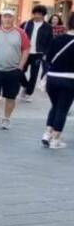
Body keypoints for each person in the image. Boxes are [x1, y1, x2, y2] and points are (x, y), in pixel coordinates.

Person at [0, 8, 30, 131]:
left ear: (13, 18)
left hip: (13, 69)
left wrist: (20, 67)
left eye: (9, 17)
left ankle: (6, 119)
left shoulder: (21, 33)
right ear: (1, 18)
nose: (7, 19)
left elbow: (26, 50)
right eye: (5, 16)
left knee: (10, 97)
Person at [42, 12, 74, 149]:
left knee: (55, 106)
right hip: (69, 79)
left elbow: (48, 59)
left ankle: (47, 133)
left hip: (52, 78)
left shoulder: (57, 39)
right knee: (62, 109)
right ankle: (55, 139)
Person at [20, 4, 51, 101]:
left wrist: (46, 53)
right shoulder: (26, 24)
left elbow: (49, 41)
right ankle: (25, 85)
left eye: (40, 14)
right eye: (36, 13)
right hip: (25, 52)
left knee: (34, 74)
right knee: (19, 71)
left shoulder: (47, 27)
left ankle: (28, 94)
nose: (37, 15)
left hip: (38, 53)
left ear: (43, 15)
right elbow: (18, 36)